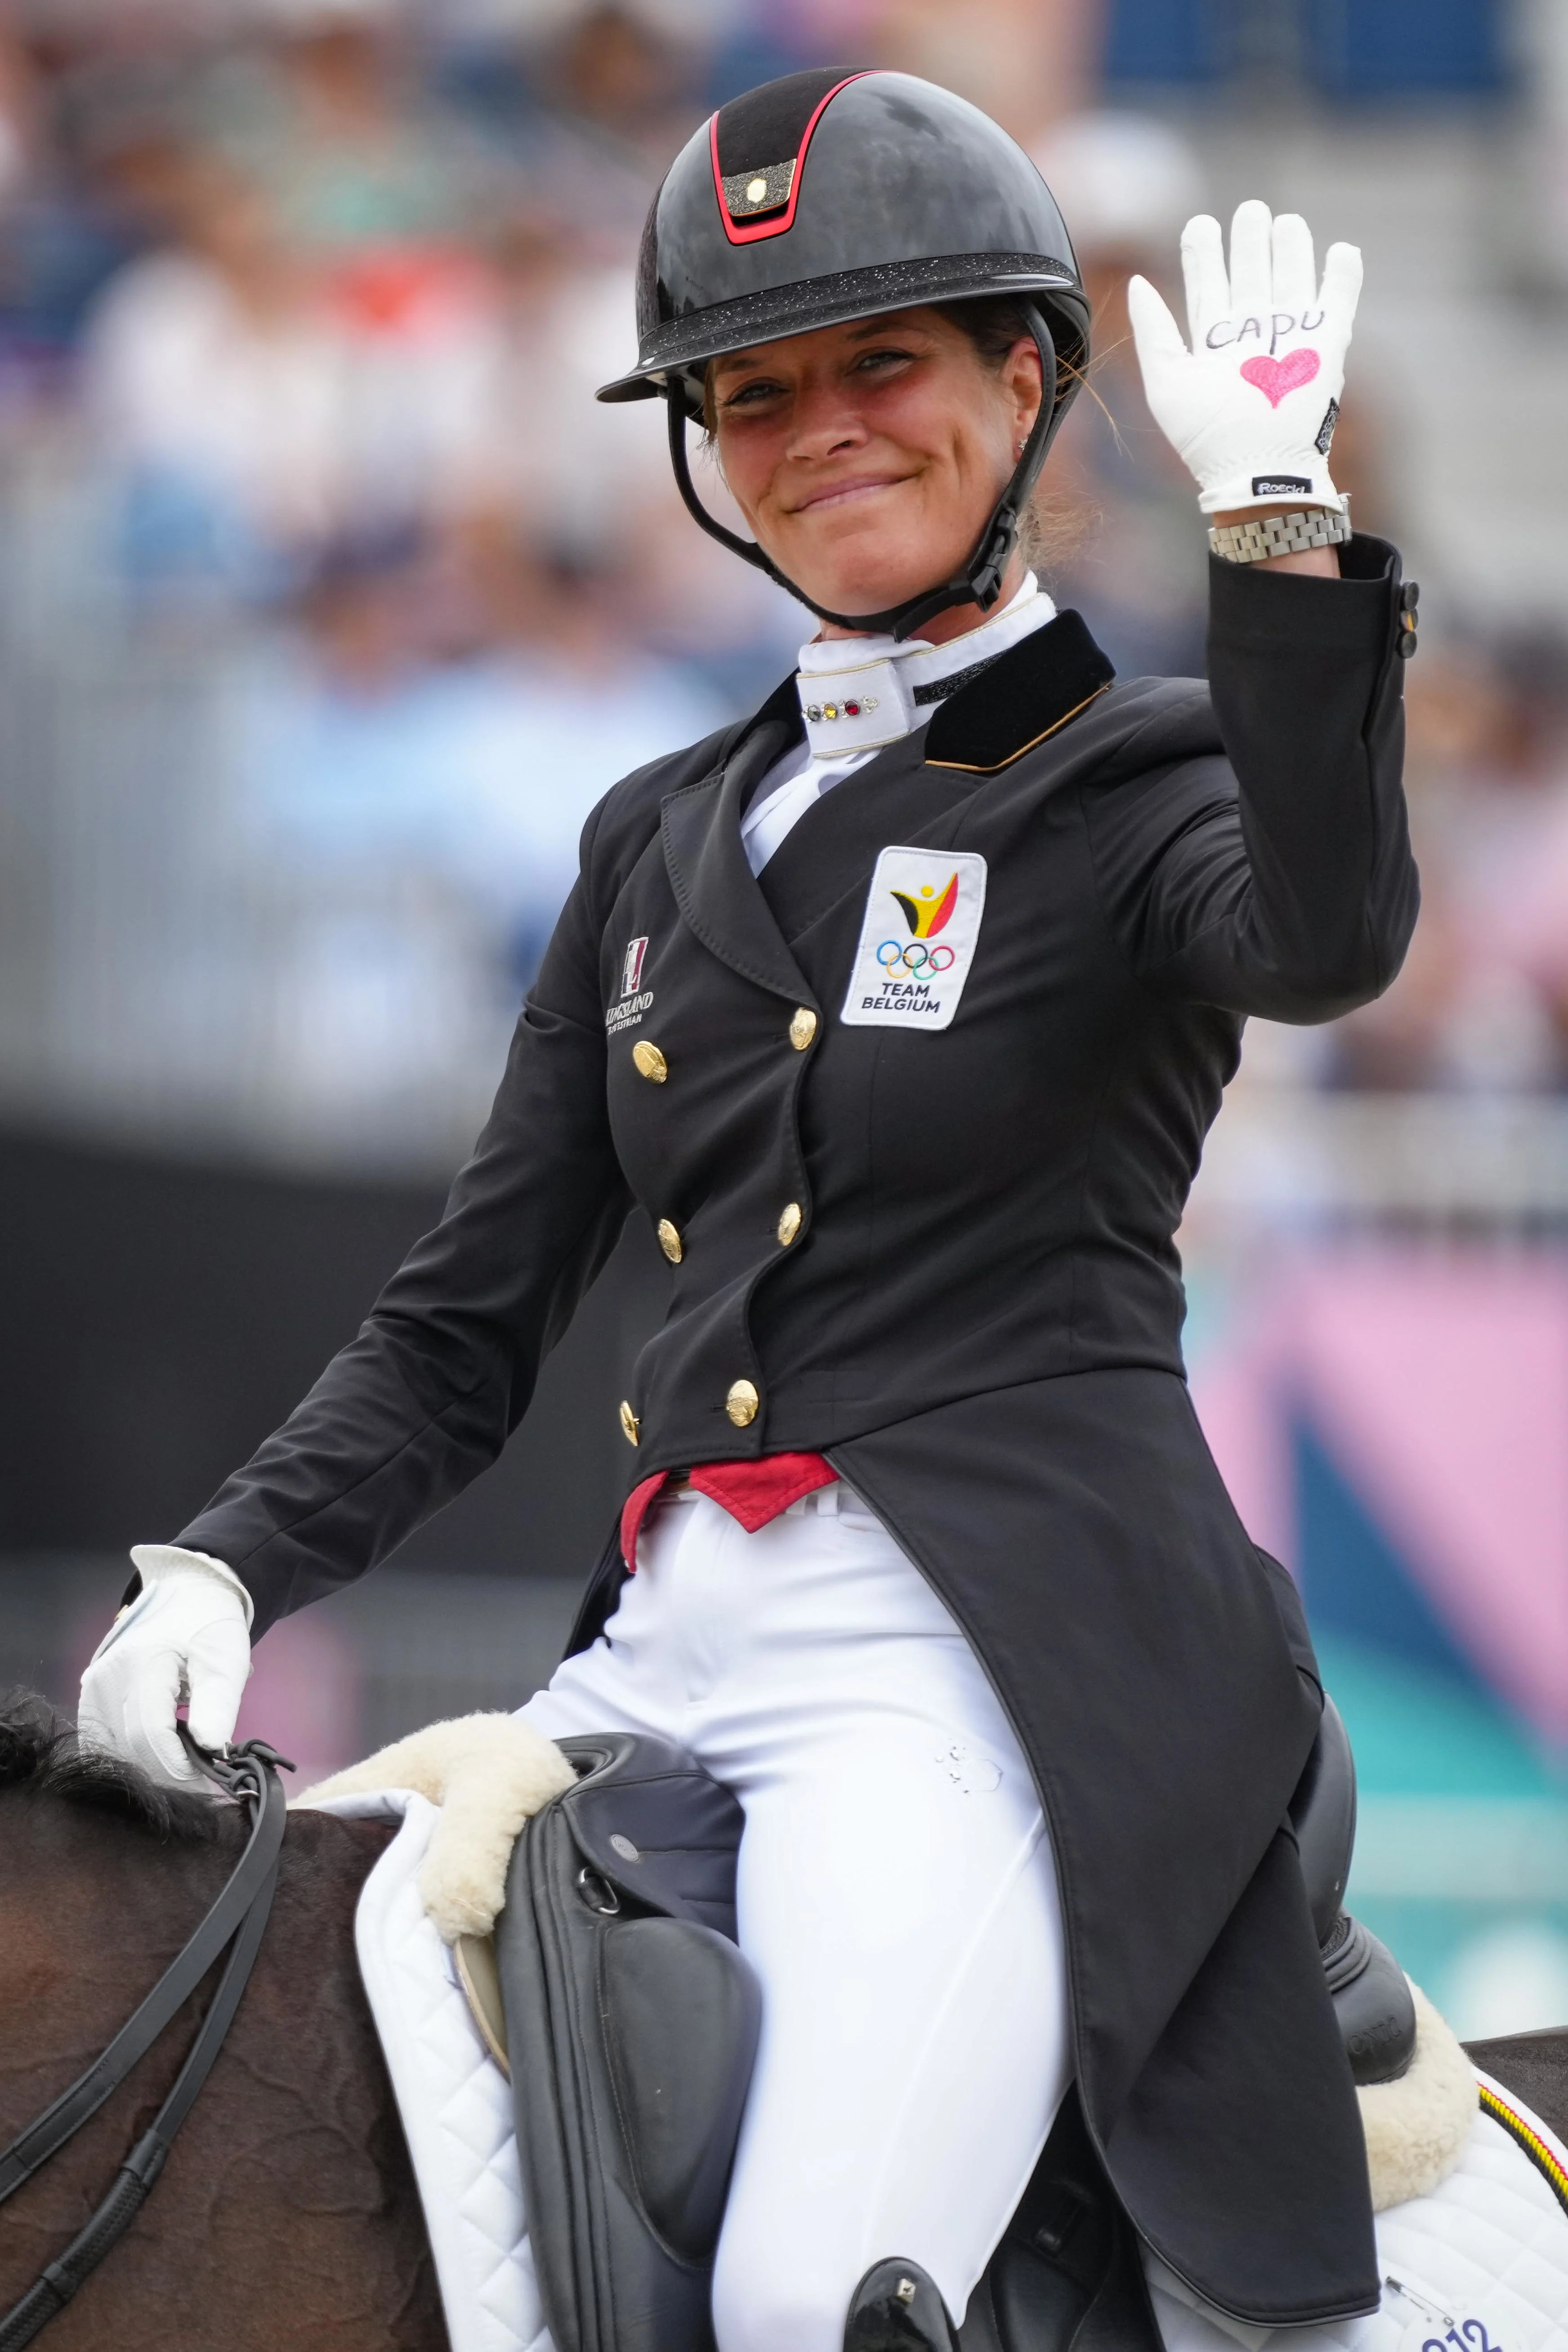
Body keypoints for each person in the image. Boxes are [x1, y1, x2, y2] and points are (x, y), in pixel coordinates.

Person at [78, 66, 1417, 2352]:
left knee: (811, 2297)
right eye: (754, 392)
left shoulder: (1132, 775)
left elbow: (1322, 933)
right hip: (661, 1650)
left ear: (1025, 379)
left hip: (975, 1664)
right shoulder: (657, 836)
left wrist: (1278, 528)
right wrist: (227, 1557)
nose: (819, 432)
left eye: (880, 365)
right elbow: (465, 1314)